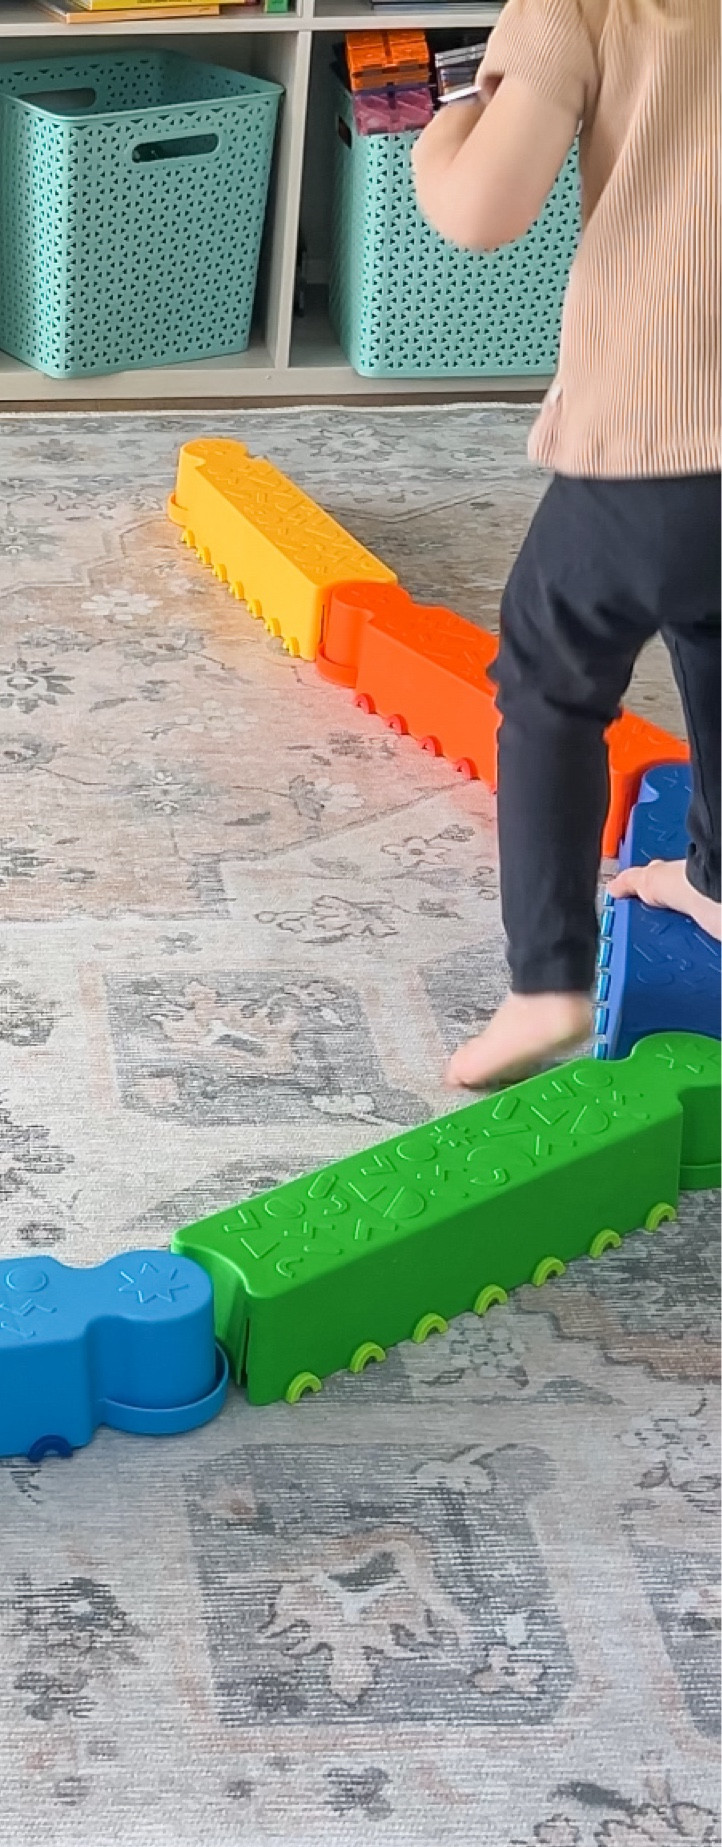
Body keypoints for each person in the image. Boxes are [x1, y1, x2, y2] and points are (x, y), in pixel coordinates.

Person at [412, 0, 719, 1090]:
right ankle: (718, 882)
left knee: (549, 676)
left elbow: (483, 211)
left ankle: (544, 985)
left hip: (661, 429)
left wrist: (441, 131)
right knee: (710, 630)